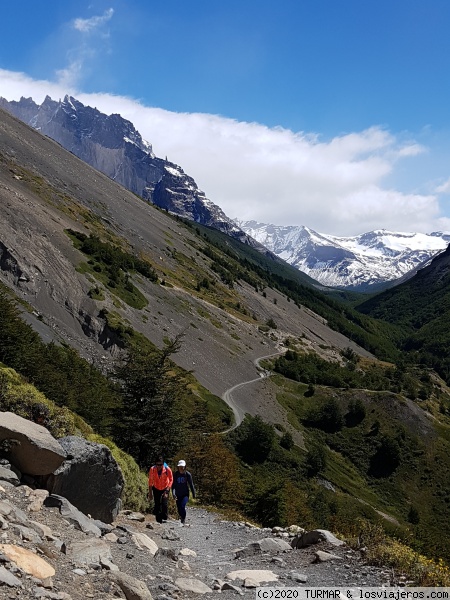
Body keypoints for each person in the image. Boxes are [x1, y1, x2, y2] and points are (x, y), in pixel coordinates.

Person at [148, 456, 173, 523]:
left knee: (164, 503)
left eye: (161, 464)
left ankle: (164, 516)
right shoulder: (152, 469)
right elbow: (150, 481)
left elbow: (171, 480)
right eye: (157, 464)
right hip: (156, 488)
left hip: (165, 488)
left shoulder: (167, 469)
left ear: (163, 464)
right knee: (157, 505)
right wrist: (150, 493)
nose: (159, 466)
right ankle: (159, 521)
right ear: (155, 464)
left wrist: (167, 490)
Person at [172, 459, 196, 525]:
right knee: (179, 507)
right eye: (180, 467)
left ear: (185, 467)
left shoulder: (187, 474)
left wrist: (194, 494)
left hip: (185, 494)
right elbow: (173, 485)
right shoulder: (176, 475)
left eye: (182, 467)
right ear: (178, 467)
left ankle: (183, 518)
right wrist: (173, 494)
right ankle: (181, 517)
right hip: (178, 494)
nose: (181, 468)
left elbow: (191, 484)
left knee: (182, 506)